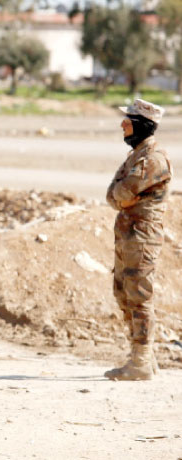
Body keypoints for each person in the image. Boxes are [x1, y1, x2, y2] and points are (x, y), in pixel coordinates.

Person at [104, 99, 172, 381]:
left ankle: (141, 360)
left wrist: (122, 194)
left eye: (128, 120)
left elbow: (122, 192)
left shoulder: (153, 159)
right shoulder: (137, 156)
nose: (122, 124)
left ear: (141, 125)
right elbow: (113, 194)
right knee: (123, 292)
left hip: (142, 236)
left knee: (139, 296)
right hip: (129, 234)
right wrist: (121, 194)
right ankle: (143, 358)